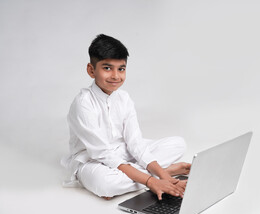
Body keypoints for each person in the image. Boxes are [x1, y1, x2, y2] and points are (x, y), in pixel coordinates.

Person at [61, 34, 191, 200]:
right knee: (106, 184)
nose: (115, 76)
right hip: (92, 159)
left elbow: (135, 143)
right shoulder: (83, 103)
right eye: (107, 68)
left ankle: (152, 175)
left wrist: (163, 177)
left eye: (121, 69)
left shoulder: (124, 98)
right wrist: (152, 181)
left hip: (124, 151)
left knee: (178, 144)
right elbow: (103, 153)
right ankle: (165, 170)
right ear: (91, 70)